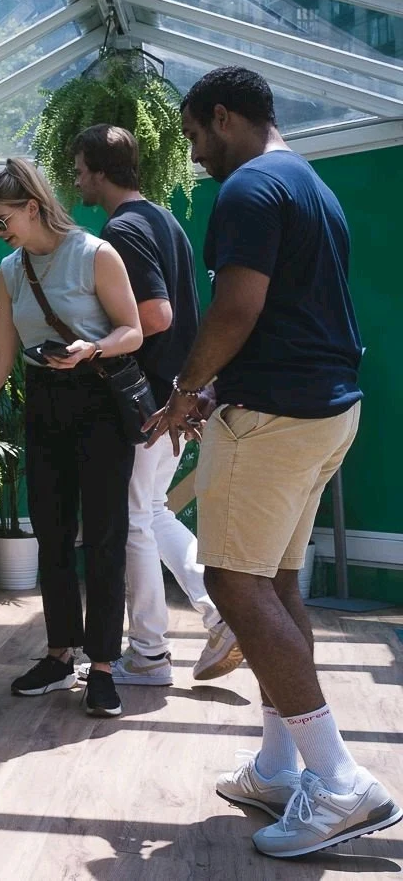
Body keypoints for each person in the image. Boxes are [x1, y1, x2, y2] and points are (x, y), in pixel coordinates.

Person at [147, 66, 399, 857]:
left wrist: (186, 388)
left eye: (194, 136)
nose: (195, 156)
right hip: (326, 411)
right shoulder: (309, 184)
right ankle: (280, 764)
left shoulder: (251, 189)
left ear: (224, 116)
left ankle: (339, 781)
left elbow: (237, 307)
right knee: (276, 582)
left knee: (232, 582)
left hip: (273, 419)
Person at [0, 157, 143, 718]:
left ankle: (101, 667)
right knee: (51, 532)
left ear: (33, 206)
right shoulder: (10, 272)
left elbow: (133, 330)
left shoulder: (96, 254)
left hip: (97, 400)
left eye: (3, 221)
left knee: (103, 536)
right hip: (45, 402)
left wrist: (89, 348)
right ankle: (58, 653)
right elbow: (1, 357)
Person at [71, 124, 242, 687]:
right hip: (172, 392)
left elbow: (157, 316)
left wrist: (95, 341)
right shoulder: (165, 220)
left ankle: (149, 654)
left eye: (78, 170)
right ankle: (221, 615)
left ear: (99, 169)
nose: (75, 180)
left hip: (144, 399)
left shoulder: (122, 229)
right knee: (153, 512)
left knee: (133, 522)